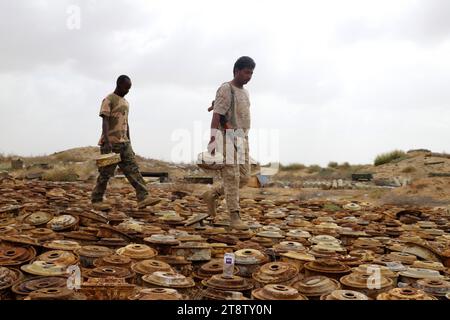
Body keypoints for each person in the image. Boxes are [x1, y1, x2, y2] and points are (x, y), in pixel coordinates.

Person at [91, 75, 161, 210]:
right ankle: (96, 200)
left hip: (125, 143)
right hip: (111, 143)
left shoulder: (126, 103)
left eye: (129, 89)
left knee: (133, 170)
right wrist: (106, 140)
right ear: (119, 85)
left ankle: (143, 197)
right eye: (126, 88)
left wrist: (129, 142)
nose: (127, 91)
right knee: (106, 173)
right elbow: (105, 120)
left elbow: (126, 123)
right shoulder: (109, 99)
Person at [202, 56, 255, 230]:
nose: (249, 76)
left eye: (251, 73)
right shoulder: (226, 89)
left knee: (244, 177)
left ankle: (213, 193)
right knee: (232, 177)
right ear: (236, 71)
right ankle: (235, 216)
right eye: (247, 72)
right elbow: (217, 115)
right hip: (227, 137)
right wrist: (212, 141)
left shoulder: (245, 92)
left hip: (242, 137)